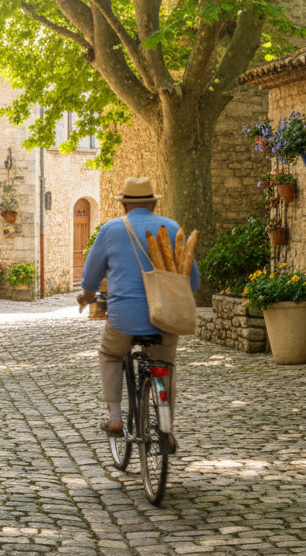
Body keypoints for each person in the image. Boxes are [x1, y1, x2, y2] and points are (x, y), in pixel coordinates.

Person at [77, 177, 200, 443]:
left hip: (124, 318)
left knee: (110, 354)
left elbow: (90, 275)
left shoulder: (110, 230)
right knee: (165, 364)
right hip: (167, 317)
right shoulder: (172, 227)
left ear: (124, 206)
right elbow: (193, 279)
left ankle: (115, 418)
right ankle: (166, 426)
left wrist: (86, 296)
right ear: (154, 204)